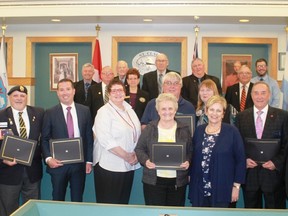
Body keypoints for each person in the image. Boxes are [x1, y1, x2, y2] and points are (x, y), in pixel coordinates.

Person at [235, 81, 288, 209]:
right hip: (250, 175)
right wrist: (244, 160)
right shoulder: (241, 116)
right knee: (252, 211)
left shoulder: (283, 116)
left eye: (263, 93)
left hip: (273, 175)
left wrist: (276, 162)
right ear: (251, 95)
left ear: (269, 95)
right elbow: (238, 144)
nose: (259, 96)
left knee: (275, 210)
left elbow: (286, 144)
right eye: (256, 93)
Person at [188, 95, 246, 207]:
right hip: (199, 187)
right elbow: (193, 156)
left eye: (218, 110)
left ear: (223, 114)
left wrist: (236, 186)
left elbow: (240, 160)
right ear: (206, 111)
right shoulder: (199, 131)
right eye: (212, 109)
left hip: (223, 187)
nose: (214, 114)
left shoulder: (232, 132)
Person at [41, 79, 93, 202]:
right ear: (57, 93)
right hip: (58, 164)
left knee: (77, 199)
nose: (65, 93)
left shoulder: (84, 111)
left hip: (79, 165)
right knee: (58, 199)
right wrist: (48, 159)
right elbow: (44, 139)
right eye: (61, 89)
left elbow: (89, 137)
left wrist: (89, 161)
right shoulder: (50, 113)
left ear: (74, 91)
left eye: (68, 89)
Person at [135, 93, 191, 206]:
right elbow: (139, 149)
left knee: (175, 213)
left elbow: (190, 150)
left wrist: (188, 161)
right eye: (163, 109)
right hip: (153, 181)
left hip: (177, 181)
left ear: (175, 110)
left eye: (170, 108)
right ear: (158, 110)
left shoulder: (184, 128)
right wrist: (146, 161)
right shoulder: (150, 128)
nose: (167, 112)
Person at [93, 79, 141, 204]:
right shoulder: (103, 112)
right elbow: (105, 140)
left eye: (120, 90)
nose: (117, 93)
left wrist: (135, 154)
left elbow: (136, 133)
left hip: (127, 164)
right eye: (113, 90)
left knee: (122, 203)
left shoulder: (129, 109)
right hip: (110, 166)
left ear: (125, 92)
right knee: (109, 205)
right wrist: (127, 156)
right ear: (108, 93)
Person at [0, 85, 44, 216]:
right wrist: (3, 158)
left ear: (27, 97)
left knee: (31, 209)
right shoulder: (1, 116)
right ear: (9, 98)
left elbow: (46, 137)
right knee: (8, 209)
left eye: (22, 95)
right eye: (15, 95)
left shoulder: (39, 113)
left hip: (32, 171)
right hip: (8, 173)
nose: (19, 98)